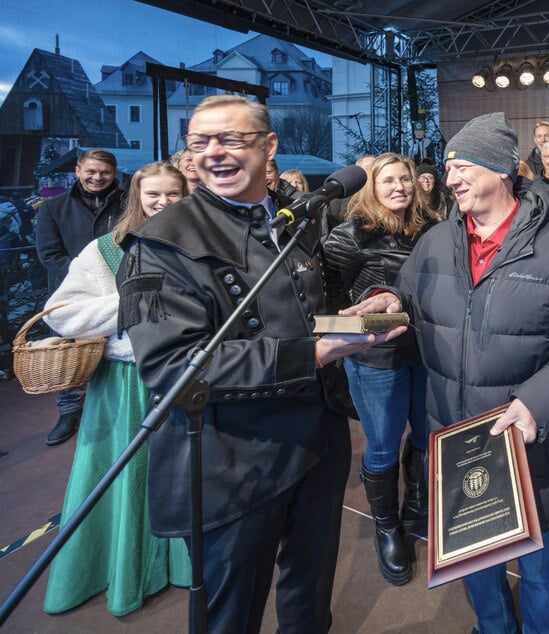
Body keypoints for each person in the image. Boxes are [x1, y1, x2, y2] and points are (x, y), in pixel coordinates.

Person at [116, 94, 405, 633]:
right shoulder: (156, 246)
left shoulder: (291, 220)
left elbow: (297, 317)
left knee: (310, 595)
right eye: (200, 142)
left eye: (232, 139)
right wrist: (312, 352)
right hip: (235, 463)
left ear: (269, 146)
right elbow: (173, 367)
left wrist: (357, 314)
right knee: (232, 615)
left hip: (315, 443)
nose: (214, 153)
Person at [347, 112, 549, 633]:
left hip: (533, 448)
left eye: (463, 167)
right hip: (455, 441)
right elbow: (409, 299)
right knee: (475, 563)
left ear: (501, 170)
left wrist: (536, 404)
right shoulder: (433, 244)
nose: (449, 179)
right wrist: (388, 301)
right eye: (448, 168)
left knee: (541, 570)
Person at [42, 162, 192, 617]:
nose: (164, 203)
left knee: (187, 477)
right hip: (127, 383)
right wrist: (131, 301)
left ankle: (185, 565)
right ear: (138, 199)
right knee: (124, 477)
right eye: (154, 196)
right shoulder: (106, 250)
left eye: (173, 195)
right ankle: (126, 571)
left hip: (186, 377)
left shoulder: (201, 246)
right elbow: (60, 313)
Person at [323, 153, 439, 586]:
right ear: (370, 186)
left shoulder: (432, 229)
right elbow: (330, 305)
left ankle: (415, 509)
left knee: (428, 437)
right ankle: (386, 526)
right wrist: (366, 328)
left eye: (405, 178)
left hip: (426, 353)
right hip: (376, 359)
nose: (399, 187)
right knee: (385, 445)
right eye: (388, 180)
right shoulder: (349, 235)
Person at [35, 149, 124, 446]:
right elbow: (50, 255)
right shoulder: (53, 208)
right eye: (91, 171)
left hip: (119, 292)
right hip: (74, 296)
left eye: (104, 172)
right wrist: (89, 276)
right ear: (77, 170)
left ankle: (115, 411)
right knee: (71, 358)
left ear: (114, 173)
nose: (97, 177)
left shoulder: (127, 204)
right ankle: (69, 412)